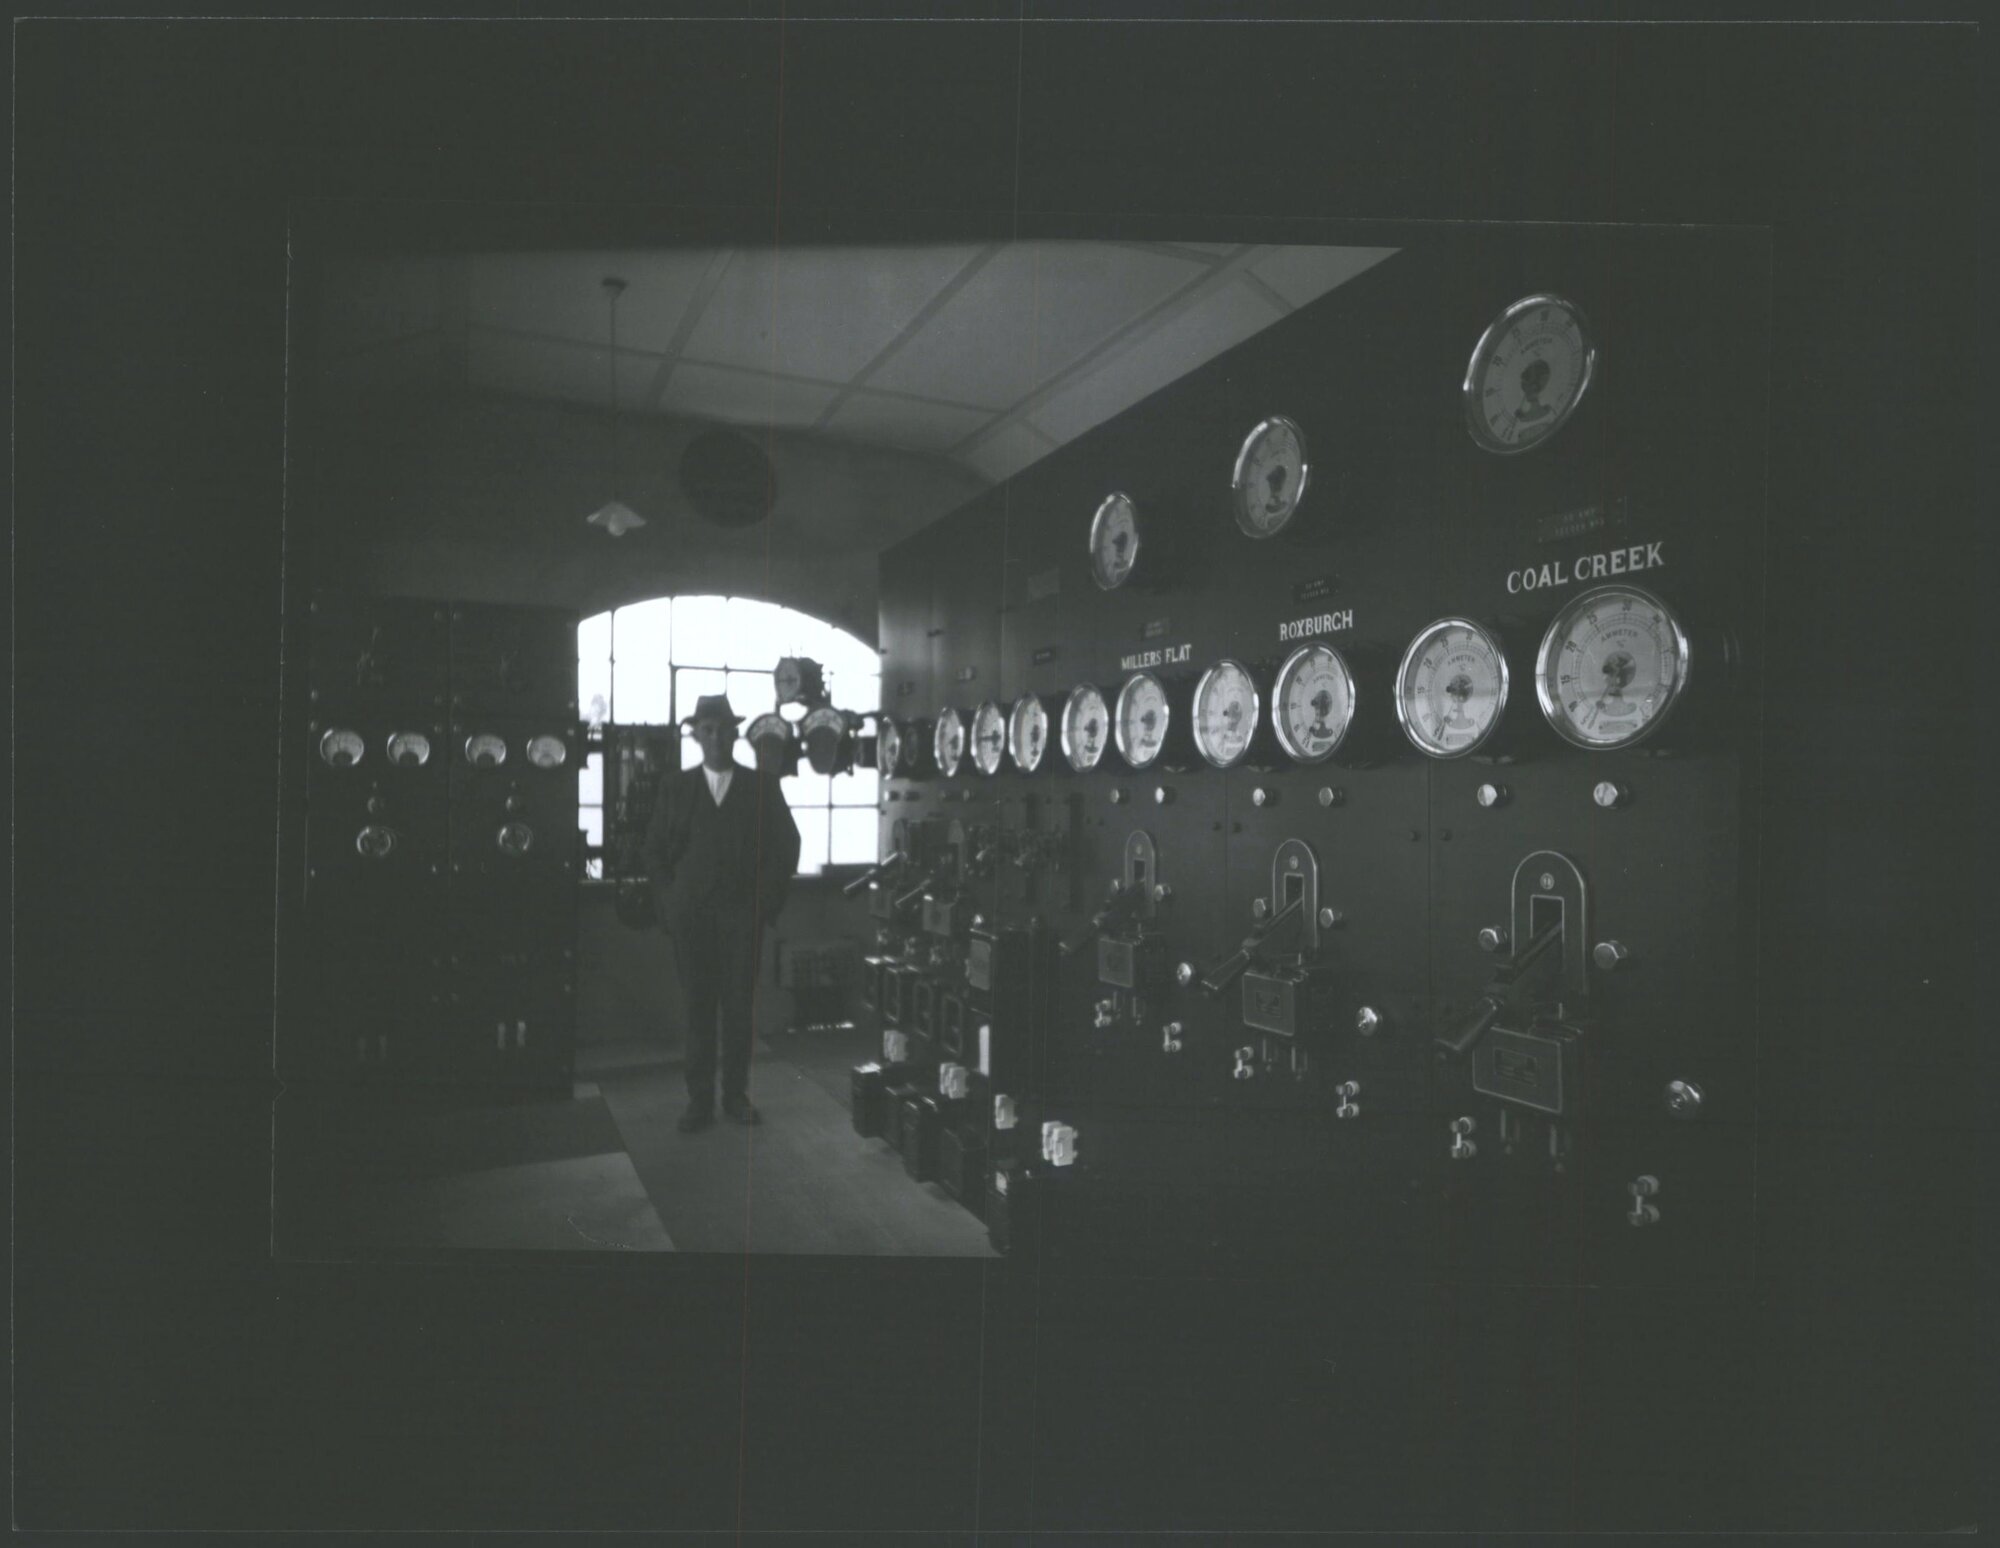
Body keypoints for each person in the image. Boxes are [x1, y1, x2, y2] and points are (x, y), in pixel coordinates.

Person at [643, 693, 801, 1132]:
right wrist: (671, 907)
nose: (716, 737)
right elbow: (653, 854)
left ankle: (734, 1096)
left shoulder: (762, 787)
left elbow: (787, 847)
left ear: (736, 734)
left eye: (724, 729)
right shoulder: (675, 788)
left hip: (740, 921)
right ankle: (699, 1102)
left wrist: (763, 905)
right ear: (695, 734)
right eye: (707, 729)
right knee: (698, 1011)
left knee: (737, 1011)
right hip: (690, 922)